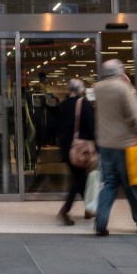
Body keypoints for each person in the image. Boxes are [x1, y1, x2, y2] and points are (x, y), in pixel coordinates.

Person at [93, 59, 137, 236]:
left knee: (109, 184)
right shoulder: (122, 88)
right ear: (120, 72)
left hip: (105, 144)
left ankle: (100, 221)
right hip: (126, 144)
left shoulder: (98, 88)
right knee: (134, 184)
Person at [56, 78, 95, 226]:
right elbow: (91, 127)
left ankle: (89, 209)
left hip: (67, 148)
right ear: (80, 90)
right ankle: (66, 209)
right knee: (79, 179)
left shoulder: (62, 105)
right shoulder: (83, 105)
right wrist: (95, 145)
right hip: (81, 149)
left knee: (79, 177)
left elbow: (56, 126)